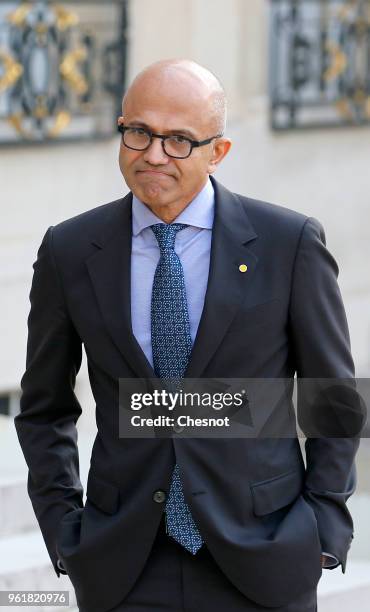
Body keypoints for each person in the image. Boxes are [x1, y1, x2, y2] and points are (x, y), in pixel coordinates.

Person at [14, 59, 360, 612]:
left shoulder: (287, 242)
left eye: (178, 140)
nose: (153, 154)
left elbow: (334, 399)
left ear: (217, 152)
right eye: (139, 132)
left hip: (263, 557)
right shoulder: (70, 250)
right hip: (123, 563)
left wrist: (322, 531)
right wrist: (63, 529)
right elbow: (44, 408)